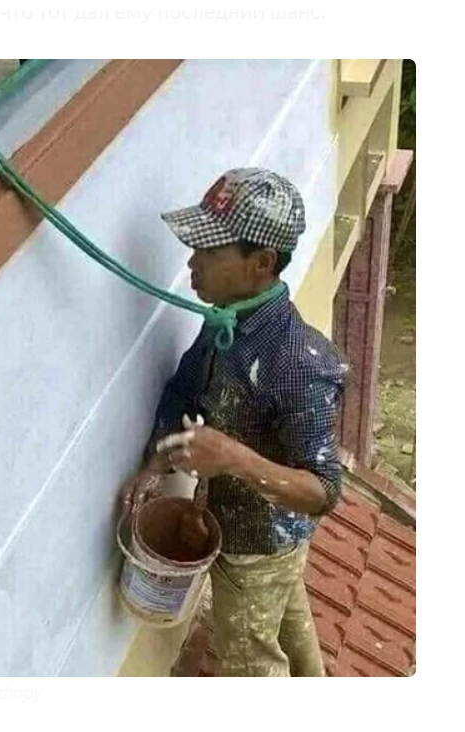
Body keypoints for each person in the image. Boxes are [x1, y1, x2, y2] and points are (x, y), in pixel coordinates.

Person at [122, 168, 348, 677]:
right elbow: (185, 388)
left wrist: (232, 458)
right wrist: (156, 464)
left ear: (262, 262)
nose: (191, 261)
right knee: (289, 626)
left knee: (249, 666)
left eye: (209, 250)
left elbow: (324, 491)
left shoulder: (300, 365)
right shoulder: (227, 316)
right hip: (240, 527)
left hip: (259, 549)